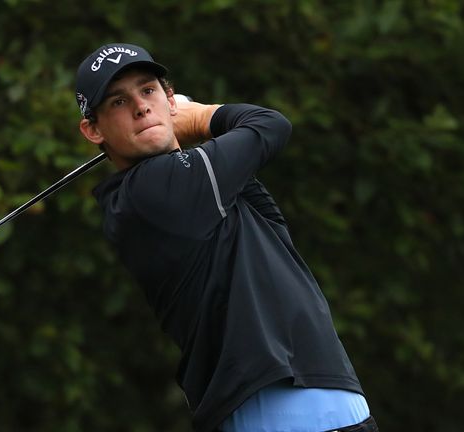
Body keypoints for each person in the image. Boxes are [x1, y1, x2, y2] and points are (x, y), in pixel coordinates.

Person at [75, 43, 379, 432]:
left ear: (168, 98)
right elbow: (270, 125)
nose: (140, 107)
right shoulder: (151, 191)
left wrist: (180, 130)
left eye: (148, 90)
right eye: (118, 101)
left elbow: (270, 221)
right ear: (93, 130)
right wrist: (200, 115)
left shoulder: (194, 192)